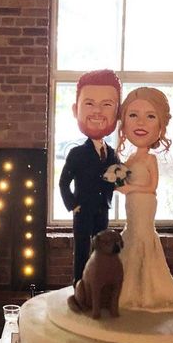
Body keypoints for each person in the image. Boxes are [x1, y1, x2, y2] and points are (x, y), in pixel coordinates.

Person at [115, 87, 173, 313]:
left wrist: (129, 187)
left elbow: (152, 187)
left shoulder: (150, 159)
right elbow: (119, 181)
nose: (141, 122)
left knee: (142, 237)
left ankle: (146, 291)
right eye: (133, 115)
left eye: (150, 116)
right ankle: (127, 288)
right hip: (132, 205)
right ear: (123, 122)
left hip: (144, 203)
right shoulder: (131, 157)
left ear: (160, 125)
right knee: (131, 236)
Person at [59, 69, 121, 285]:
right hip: (83, 210)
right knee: (82, 248)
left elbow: (121, 178)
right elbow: (63, 182)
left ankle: (98, 284)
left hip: (102, 209)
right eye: (89, 104)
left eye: (106, 104)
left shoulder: (112, 153)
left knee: (101, 250)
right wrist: (73, 205)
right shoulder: (77, 153)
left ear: (117, 112)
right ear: (76, 110)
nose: (97, 111)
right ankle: (79, 283)